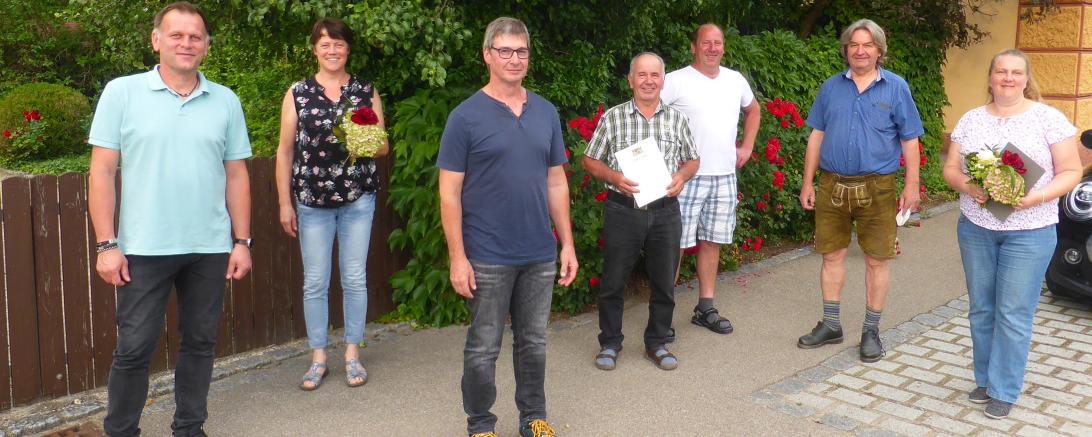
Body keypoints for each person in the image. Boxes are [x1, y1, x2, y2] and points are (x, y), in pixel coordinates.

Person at [87, 2, 252, 436]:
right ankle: (121, 431)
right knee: (134, 348)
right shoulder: (121, 93)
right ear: (156, 40)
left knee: (200, 344)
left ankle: (190, 428)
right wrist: (107, 244)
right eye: (176, 35)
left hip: (210, 247)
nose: (186, 43)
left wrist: (242, 241)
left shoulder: (226, 101)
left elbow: (236, 173)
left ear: (206, 47)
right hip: (143, 247)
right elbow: (101, 171)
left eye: (195, 37)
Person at [437, 16, 577, 437]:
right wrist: (457, 257)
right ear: (487, 55)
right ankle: (480, 423)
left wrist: (566, 244)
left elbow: (556, 181)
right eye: (505, 51)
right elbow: (449, 193)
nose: (514, 59)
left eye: (521, 51)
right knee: (483, 347)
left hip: (538, 252)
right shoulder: (465, 117)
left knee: (534, 343)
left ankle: (533, 417)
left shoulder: (546, 112)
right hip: (487, 255)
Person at [943, 48, 1079, 419]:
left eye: (1015, 72)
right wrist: (969, 188)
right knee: (981, 309)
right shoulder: (971, 119)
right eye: (1001, 71)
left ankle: (1004, 388)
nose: (1007, 78)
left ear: (1026, 78)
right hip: (976, 228)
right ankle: (985, 379)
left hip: (1030, 232)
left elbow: (1071, 171)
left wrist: (1038, 196)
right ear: (990, 78)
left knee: (1013, 312)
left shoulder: (1048, 119)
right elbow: (951, 168)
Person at [797, 18, 923, 362]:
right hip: (831, 185)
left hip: (878, 187)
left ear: (879, 51)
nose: (860, 50)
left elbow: (910, 139)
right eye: (854, 45)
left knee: (876, 260)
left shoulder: (896, 88)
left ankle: (871, 331)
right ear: (846, 50)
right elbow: (816, 136)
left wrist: (912, 184)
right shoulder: (830, 87)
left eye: (867, 45)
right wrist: (807, 182)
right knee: (832, 255)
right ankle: (831, 324)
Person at [275, 17, 388, 391]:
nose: (332, 50)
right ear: (314, 49)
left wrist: (363, 141)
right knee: (315, 282)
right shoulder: (298, 93)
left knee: (354, 278)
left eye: (338, 43)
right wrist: (284, 203)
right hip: (312, 199)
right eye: (325, 44)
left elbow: (383, 146)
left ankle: (352, 354)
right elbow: (285, 151)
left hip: (357, 197)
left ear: (347, 48)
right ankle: (318, 358)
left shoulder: (365, 91)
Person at [583, 52, 700, 372]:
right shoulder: (613, 117)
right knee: (613, 280)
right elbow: (590, 160)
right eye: (642, 75)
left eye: (655, 75)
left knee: (664, 280)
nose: (649, 81)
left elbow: (693, 159)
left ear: (663, 80)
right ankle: (609, 342)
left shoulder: (677, 119)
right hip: (624, 209)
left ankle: (657, 342)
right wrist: (614, 177)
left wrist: (682, 176)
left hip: (665, 211)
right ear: (631, 80)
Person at [661, 23, 760, 337]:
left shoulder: (735, 80)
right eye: (706, 42)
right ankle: (661, 316)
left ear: (723, 47)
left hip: (724, 176)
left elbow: (754, 110)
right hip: (684, 178)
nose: (712, 48)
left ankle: (705, 307)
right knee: (672, 246)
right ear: (694, 46)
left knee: (711, 242)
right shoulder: (674, 81)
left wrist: (747, 146)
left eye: (718, 43)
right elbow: (649, 115)